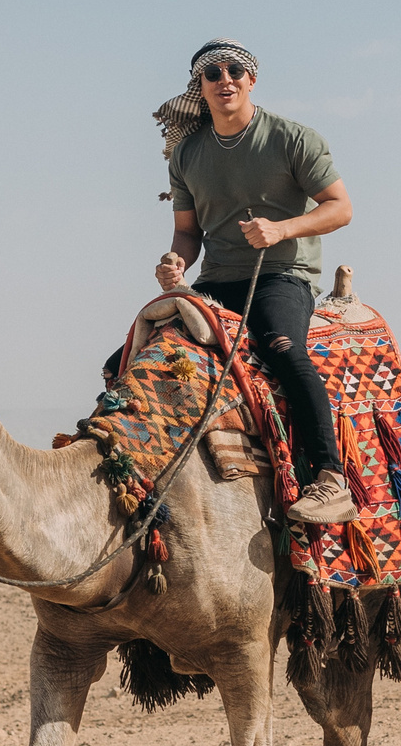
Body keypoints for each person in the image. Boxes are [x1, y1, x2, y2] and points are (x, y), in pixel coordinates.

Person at [153, 38, 358, 526]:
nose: (226, 79)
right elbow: (187, 233)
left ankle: (331, 480)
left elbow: (340, 208)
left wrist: (281, 229)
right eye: (214, 73)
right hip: (217, 279)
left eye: (235, 71)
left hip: (283, 276)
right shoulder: (185, 156)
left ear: (252, 79)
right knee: (139, 356)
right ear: (200, 87)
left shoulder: (292, 139)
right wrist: (173, 264)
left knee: (283, 348)